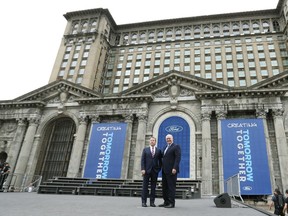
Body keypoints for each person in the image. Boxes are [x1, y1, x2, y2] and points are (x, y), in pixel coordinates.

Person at [159, 134, 181, 208]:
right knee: (164, 187)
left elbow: (177, 158)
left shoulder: (176, 146)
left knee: (171, 187)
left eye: (169, 138)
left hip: (172, 171)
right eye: (167, 138)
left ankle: (172, 203)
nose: (168, 139)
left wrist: (175, 168)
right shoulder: (165, 147)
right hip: (164, 170)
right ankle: (166, 202)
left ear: (172, 139)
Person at [140, 136, 162, 207]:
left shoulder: (158, 150)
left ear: (155, 142)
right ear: (149, 141)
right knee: (145, 187)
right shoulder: (145, 150)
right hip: (146, 171)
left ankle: (152, 202)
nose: (152, 141)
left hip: (154, 171)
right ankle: (144, 202)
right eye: (151, 140)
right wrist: (143, 169)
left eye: (153, 140)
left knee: (153, 187)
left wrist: (158, 169)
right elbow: (142, 160)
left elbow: (160, 161)